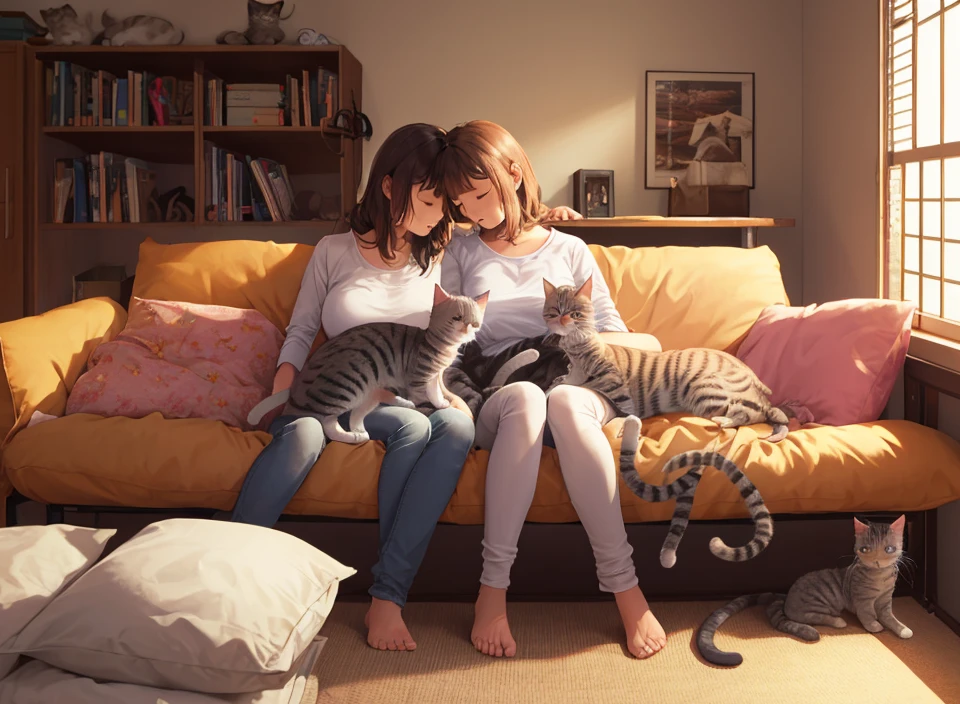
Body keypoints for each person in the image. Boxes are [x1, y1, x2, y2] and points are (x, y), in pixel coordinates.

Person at [233, 123, 475, 652]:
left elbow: (499, 232)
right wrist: (282, 394)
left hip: (401, 397)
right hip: (339, 387)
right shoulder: (333, 251)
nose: (440, 216)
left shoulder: (437, 256)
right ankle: (227, 575)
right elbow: (300, 330)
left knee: (452, 423)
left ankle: (387, 597)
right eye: (430, 201)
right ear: (390, 187)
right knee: (303, 437)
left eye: (444, 205)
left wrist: (547, 212)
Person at [437, 121, 667, 660]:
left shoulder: (569, 247)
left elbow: (611, 328)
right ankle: (492, 592)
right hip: (504, 387)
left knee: (561, 398)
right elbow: (447, 334)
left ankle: (627, 590)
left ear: (513, 174)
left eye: (480, 193)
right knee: (530, 398)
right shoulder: (462, 253)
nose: (471, 210)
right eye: (460, 200)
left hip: (576, 379)